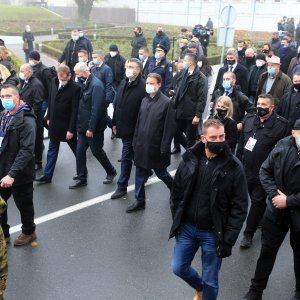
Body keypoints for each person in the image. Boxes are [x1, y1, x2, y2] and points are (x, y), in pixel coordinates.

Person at [170, 118, 248, 300]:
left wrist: (228, 240)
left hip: (213, 233)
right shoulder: (191, 158)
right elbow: (177, 191)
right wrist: (177, 218)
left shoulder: (234, 167)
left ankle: (206, 291)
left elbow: (240, 207)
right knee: (178, 267)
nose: (219, 141)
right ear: (203, 138)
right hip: (187, 228)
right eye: (214, 137)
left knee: (211, 280)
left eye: (222, 137)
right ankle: (199, 288)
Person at [242, 119, 300, 300]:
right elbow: (264, 171)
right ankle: (255, 291)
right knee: (267, 252)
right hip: (276, 212)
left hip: (297, 213)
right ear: (293, 132)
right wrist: (275, 195)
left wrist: (289, 201)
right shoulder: (282, 146)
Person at [239, 94, 290, 249]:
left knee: (257, 201)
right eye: (258, 104)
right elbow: (241, 144)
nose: (260, 107)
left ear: (272, 107)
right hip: (247, 169)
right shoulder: (249, 119)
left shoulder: (282, 125)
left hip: (265, 173)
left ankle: (248, 233)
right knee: (253, 198)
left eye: (263, 105)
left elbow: (283, 153)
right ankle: (259, 218)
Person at [126, 73, 176, 213]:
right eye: (147, 83)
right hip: (142, 145)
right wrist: (135, 142)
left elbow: (169, 128)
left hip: (156, 147)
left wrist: (164, 148)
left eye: (152, 83)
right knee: (140, 172)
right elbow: (139, 123)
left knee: (161, 173)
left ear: (159, 84)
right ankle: (139, 201)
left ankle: (175, 190)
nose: (148, 85)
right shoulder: (144, 100)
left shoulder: (167, 103)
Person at [69, 62, 117, 189]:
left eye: (78, 73)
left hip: (92, 128)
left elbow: (96, 109)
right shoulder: (82, 82)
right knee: (79, 152)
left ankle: (111, 171)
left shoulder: (96, 86)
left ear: (84, 72)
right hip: (82, 126)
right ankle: (82, 177)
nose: (76, 76)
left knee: (97, 152)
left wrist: (91, 128)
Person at [0, 84, 37, 246]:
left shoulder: (26, 120)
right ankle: (4, 234)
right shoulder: (3, 115)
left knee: (24, 204)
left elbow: (26, 151)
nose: (5, 100)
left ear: (17, 97)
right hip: (2, 168)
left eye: (8, 96)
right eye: (2, 97)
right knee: (1, 204)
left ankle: (29, 232)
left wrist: (12, 174)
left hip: (19, 173)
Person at [34, 65, 80, 184]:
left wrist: (71, 130)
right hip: (54, 124)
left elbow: (75, 110)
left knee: (78, 151)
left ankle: (82, 174)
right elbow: (51, 100)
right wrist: (48, 117)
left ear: (69, 75)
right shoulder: (54, 83)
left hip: (67, 127)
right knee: (52, 151)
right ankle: (47, 175)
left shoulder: (75, 88)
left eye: (63, 78)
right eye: (59, 77)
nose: (61, 80)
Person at [110, 59, 146, 200]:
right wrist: (114, 122)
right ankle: (147, 172)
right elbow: (118, 103)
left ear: (138, 70)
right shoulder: (125, 82)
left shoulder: (142, 87)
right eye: (127, 66)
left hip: (134, 130)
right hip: (123, 126)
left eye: (131, 67)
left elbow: (144, 112)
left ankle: (122, 186)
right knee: (133, 156)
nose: (127, 69)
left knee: (126, 157)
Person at [174, 53, 208, 149]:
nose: (182, 62)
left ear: (190, 62)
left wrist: (197, 115)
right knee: (175, 132)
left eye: (184, 60)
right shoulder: (184, 73)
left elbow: (202, 98)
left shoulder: (201, 78)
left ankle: (191, 158)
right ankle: (189, 152)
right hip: (180, 110)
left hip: (191, 113)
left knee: (190, 138)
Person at [19, 63, 45, 171]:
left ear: (29, 72)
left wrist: (32, 116)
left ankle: (38, 162)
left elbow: (38, 103)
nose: (21, 73)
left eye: (22, 71)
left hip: (34, 117)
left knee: (37, 139)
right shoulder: (26, 81)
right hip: (25, 115)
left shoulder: (36, 84)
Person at [90, 50, 114, 138]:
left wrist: (107, 99)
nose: (93, 59)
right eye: (93, 57)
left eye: (95, 57)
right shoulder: (93, 69)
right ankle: (113, 127)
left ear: (100, 58)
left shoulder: (107, 69)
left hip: (102, 98)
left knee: (102, 115)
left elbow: (109, 84)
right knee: (102, 115)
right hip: (94, 96)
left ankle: (113, 127)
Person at [28, 50, 53, 118]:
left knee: (39, 118)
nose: (29, 61)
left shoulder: (45, 70)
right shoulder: (32, 67)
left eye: (31, 59)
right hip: (34, 98)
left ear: (36, 59)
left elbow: (50, 87)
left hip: (43, 100)